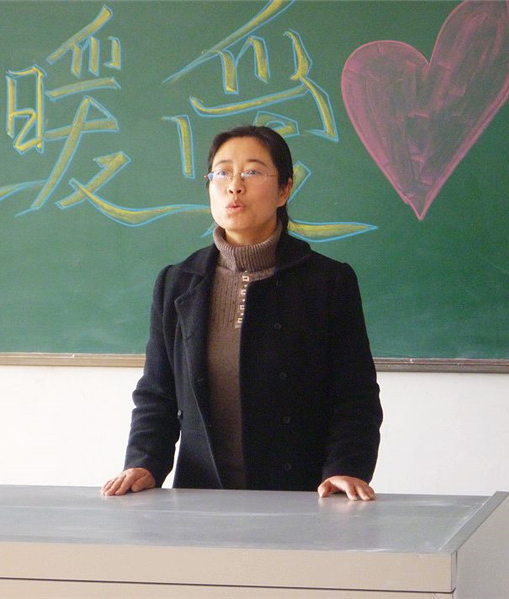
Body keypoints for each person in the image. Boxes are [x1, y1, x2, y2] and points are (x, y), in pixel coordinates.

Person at [102, 125, 382, 501]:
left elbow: (355, 395)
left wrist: (345, 467)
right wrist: (144, 463)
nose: (234, 186)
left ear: (284, 189)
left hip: (302, 497)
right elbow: (157, 393)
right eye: (221, 173)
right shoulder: (178, 283)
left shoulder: (327, 281)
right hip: (200, 498)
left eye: (251, 172)